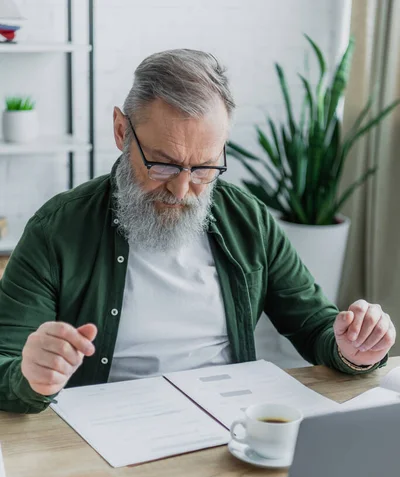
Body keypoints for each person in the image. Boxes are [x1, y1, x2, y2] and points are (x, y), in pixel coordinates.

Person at [0, 49, 395, 414]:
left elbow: (314, 326)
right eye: (164, 164)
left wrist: (353, 347)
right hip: (105, 427)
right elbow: (5, 365)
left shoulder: (247, 219)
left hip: (229, 421)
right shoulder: (57, 229)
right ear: (122, 131)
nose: (182, 188)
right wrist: (32, 377)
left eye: (205, 167)